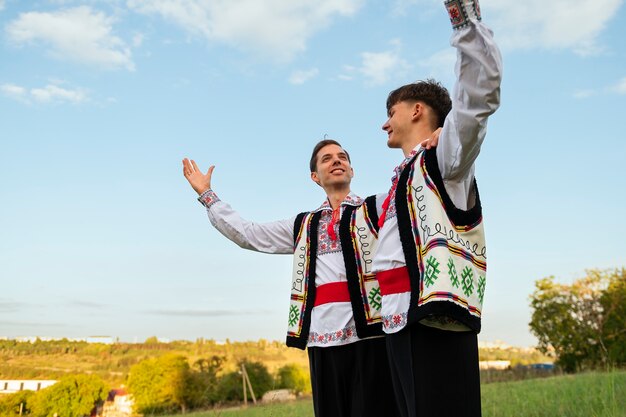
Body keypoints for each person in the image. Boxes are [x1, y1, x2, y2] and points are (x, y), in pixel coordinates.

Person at [182, 140, 400, 417]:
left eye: (342, 157)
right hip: (322, 342)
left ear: (352, 171)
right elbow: (249, 233)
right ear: (315, 177)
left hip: (372, 338)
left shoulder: (376, 210)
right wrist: (207, 194)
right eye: (326, 159)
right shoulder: (304, 225)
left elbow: (413, 199)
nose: (336, 161)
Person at [372, 0, 503, 416]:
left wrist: (463, 19)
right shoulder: (399, 181)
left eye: (390, 113)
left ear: (416, 111)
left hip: (436, 317)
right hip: (398, 323)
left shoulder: (445, 158)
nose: (384, 124)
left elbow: (477, 100)